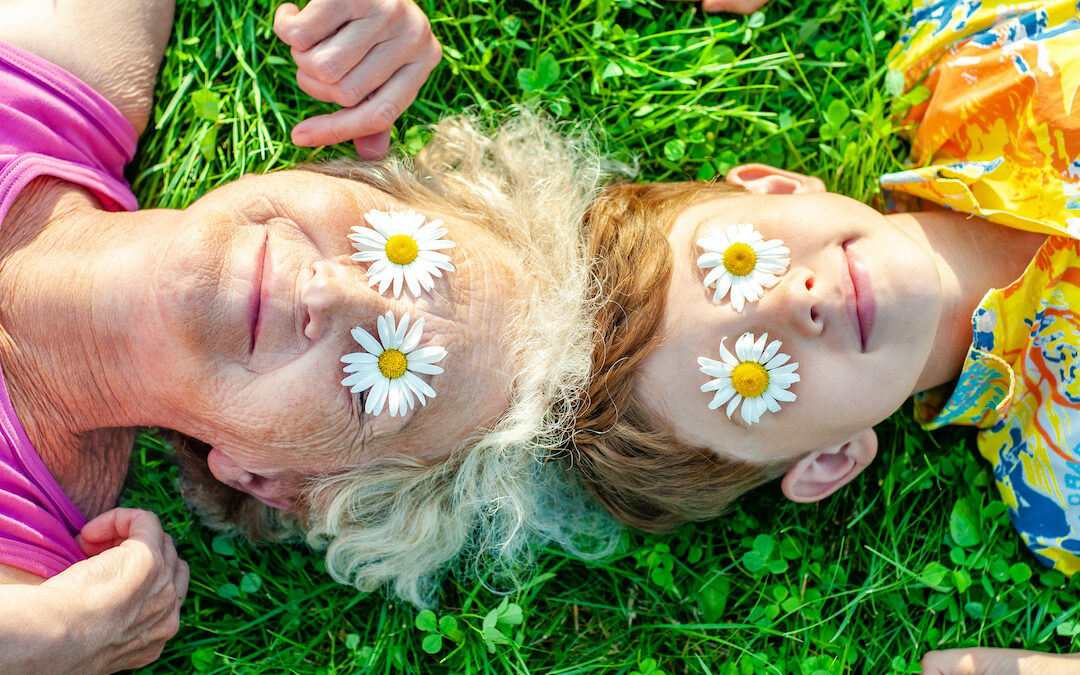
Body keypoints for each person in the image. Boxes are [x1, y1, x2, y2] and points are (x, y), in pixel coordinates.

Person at [0, 0, 612, 670]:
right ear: (333, 174)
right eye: (396, 252)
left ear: (269, 477)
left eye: (379, 391)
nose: (332, 292)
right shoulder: (59, 68)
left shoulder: (32, 612)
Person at [571, 0, 1080, 672]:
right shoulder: (1063, 482)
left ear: (776, 188)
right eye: (751, 383)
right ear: (830, 459)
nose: (792, 303)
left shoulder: (969, 53)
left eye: (736, 262)